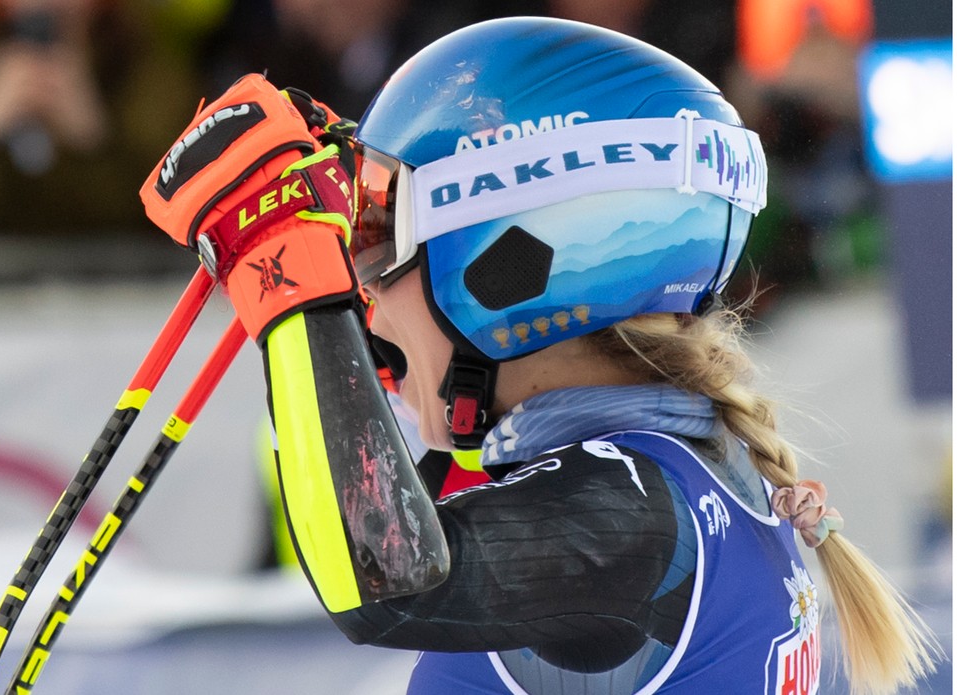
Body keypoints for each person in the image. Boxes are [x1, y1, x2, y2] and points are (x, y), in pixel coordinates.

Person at [140, 17, 938, 694]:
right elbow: (401, 495)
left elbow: (378, 580)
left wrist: (285, 267)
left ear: (512, 262)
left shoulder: (629, 510)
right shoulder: (658, 468)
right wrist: (324, 287)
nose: (363, 285)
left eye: (378, 234)